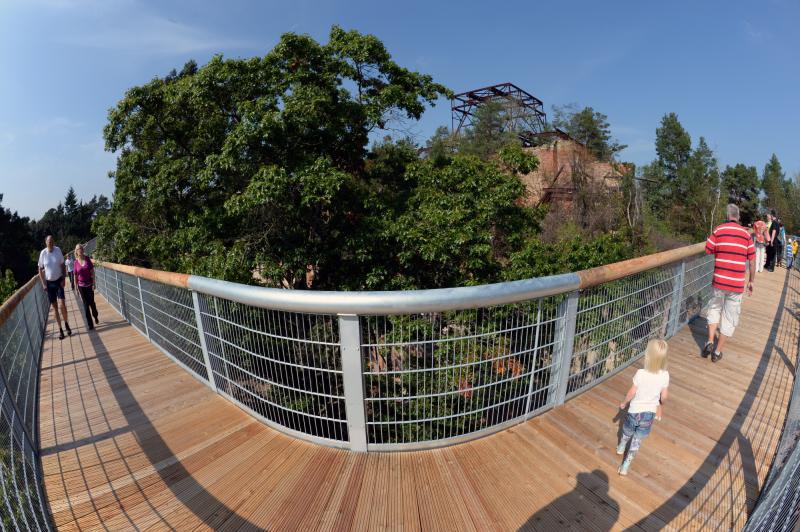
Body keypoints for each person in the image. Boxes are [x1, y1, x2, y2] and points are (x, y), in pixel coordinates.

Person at [702, 204, 755, 362]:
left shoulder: (719, 230)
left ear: (727, 216)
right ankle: (717, 352)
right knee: (730, 317)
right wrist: (751, 281)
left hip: (719, 280)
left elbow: (708, 249)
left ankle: (710, 340)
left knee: (714, 308)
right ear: (738, 217)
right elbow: (752, 261)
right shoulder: (746, 235)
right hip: (736, 284)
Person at [617, 338, 669, 476]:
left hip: (634, 411)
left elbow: (631, 392)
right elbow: (664, 396)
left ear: (648, 355)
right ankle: (625, 466)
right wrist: (660, 404)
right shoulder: (665, 375)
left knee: (627, 431)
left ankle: (621, 446)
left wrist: (624, 403)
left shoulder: (640, 373)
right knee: (637, 440)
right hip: (649, 414)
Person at [38, 235, 72, 340]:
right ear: (46, 243)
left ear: (54, 242)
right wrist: (43, 284)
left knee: (62, 305)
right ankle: (60, 330)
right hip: (49, 284)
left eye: (52, 241)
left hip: (58, 282)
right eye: (49, 242)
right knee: (55, 308)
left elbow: (62, 265)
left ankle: (66, 323)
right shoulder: (43, 253)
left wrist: (63, 278)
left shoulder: (58, 250)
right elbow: (40, 269)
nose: (51, 243)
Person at [73, 244, 99, 330]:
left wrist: (94, 283)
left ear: (82, 250)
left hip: (89, 284)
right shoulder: (75, 263)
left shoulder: (87, 259)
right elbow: (75, 276)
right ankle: (90, 324)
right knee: (85, 304)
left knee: (92, 303)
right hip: (81, 286)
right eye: (78, 249)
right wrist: (76, 287)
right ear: (76, 252)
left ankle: (95, 316)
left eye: (80, 248)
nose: (79, 250)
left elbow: (92, 271)